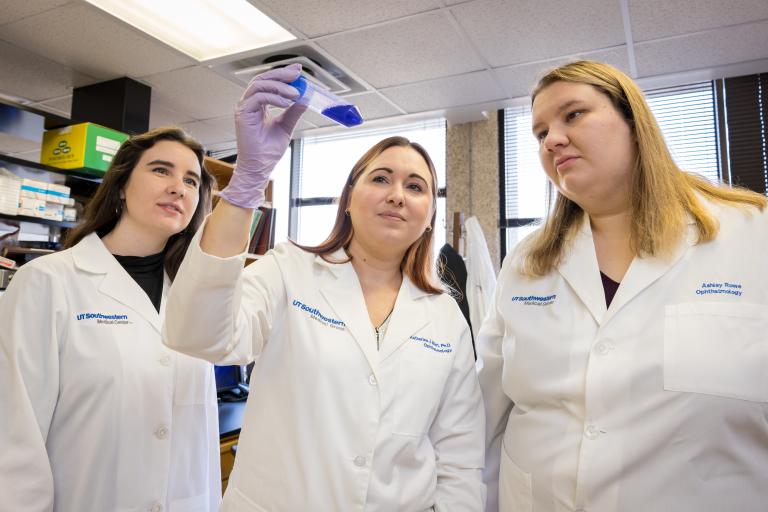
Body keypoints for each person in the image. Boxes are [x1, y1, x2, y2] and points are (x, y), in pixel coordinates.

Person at [163, 64, 485, 511]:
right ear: (348, 199)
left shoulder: (445, 315)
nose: (397, 194)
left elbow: (460, 454)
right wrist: (247, 182)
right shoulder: (288, 271)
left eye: (416, 186)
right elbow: (195, 334)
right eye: (380, 178)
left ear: (429, 214)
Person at [477, 59, 768, 512]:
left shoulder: (752, 234)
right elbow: (489, 415)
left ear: (635, 124)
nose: (552, 139)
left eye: (573, 115)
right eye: (539, 133)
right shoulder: (527, 262)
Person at [0, 127, 220, 511]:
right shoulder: (49, 280)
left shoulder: (195, 294)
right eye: (161, 170)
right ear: (120, 186)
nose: (178, 188)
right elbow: (16, 430)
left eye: (191, 180)